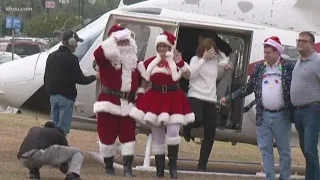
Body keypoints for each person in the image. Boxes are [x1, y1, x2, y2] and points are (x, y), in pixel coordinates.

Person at [220, 36, 295, 179]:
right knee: (266, 150)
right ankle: (270, 177)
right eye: (264, 52)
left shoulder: (288, 67)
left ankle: (285, 177)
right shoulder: (260, 68)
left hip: (282, 116)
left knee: (284, 151)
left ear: (277, 52)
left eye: (268, 52)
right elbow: (248, 88)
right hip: (263, 116)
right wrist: (229, 98)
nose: (265, 55)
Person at [129, 31, 195, 178]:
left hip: (173, 99)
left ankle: (173, 168)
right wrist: (141, 93)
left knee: (173, 133)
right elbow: (144, 79)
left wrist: (180, 63)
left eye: (165, 47)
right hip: (156, 99)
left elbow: (188, 75)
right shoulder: (151, 62)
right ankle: (160, 170)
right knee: (158, 137)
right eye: (159, 47)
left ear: (170, 47)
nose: (162, 50)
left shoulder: (176, 61)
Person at [92, 24, 142, 177]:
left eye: (126, 41)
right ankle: (109, 167)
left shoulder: (134, 61)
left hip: (128, 105)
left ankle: (128, 169)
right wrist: (114, 37)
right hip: (109, 104)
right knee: (107, 136)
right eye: (120, 41)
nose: (124, 44)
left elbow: (139, 82)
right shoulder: (107, 60)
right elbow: (98, 53)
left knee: (128, 137)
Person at [182, 37, 233, 171]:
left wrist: (225, 69)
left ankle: (202, 164)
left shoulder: (215, 62)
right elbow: (191, 74)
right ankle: (187, 128)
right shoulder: (195, 60)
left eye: (213, 51)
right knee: (197, 119)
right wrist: (204, 59)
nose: (212, 54)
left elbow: (215, 77)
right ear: (203, 50)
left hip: (210, 98)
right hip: (195, 95)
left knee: (210, 132)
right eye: (209, 51)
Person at [44, 30, 98, 135]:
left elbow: (46, 78)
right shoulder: (72, 58)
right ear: (71, 42)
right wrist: (95, 77)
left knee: (54, 129)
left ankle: (54, 147)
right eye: (76, 42)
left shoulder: (51, 56)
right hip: (66, 98)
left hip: (53, 98)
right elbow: (81, 79)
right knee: (62, 130)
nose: (77, 44)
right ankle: (60, 147)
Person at [290, 31, 320, 179]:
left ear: (312, 44)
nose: (299, 43)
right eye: (298, 40)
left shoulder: (318, 61)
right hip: (299, 112)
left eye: (303, 41)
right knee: (305, 149)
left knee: (309, 149)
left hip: (312, 110)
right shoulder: (299, 61)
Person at [17, 121, 84, 180]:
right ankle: (72, 175)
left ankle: (34, 174)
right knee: (78, 152)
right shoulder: (58, 132)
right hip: (39, 153)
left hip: (23, 158)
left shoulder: (33, 129)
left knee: (39, 152)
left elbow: (22, 148)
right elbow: (64, 166)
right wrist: (64, 165)